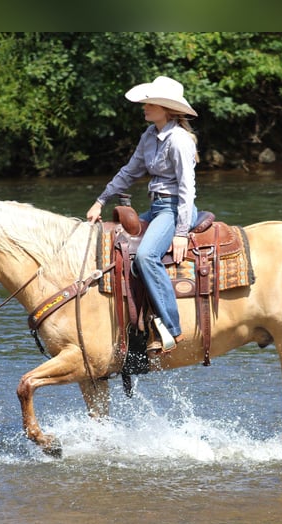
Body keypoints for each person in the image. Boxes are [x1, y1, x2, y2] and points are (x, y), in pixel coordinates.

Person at [86, 76, 199, 352]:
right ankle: (133, 325)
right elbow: (129, 171)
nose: (144, 106)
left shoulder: (180, 140)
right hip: (157, 207)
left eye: (150, 102)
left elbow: (187, 188)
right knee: (117, 243)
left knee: (147, 255)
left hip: (174, 209)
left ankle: (172, 329)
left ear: (166, 108)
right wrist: (100, 201)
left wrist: (182, 232)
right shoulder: (148, 136)